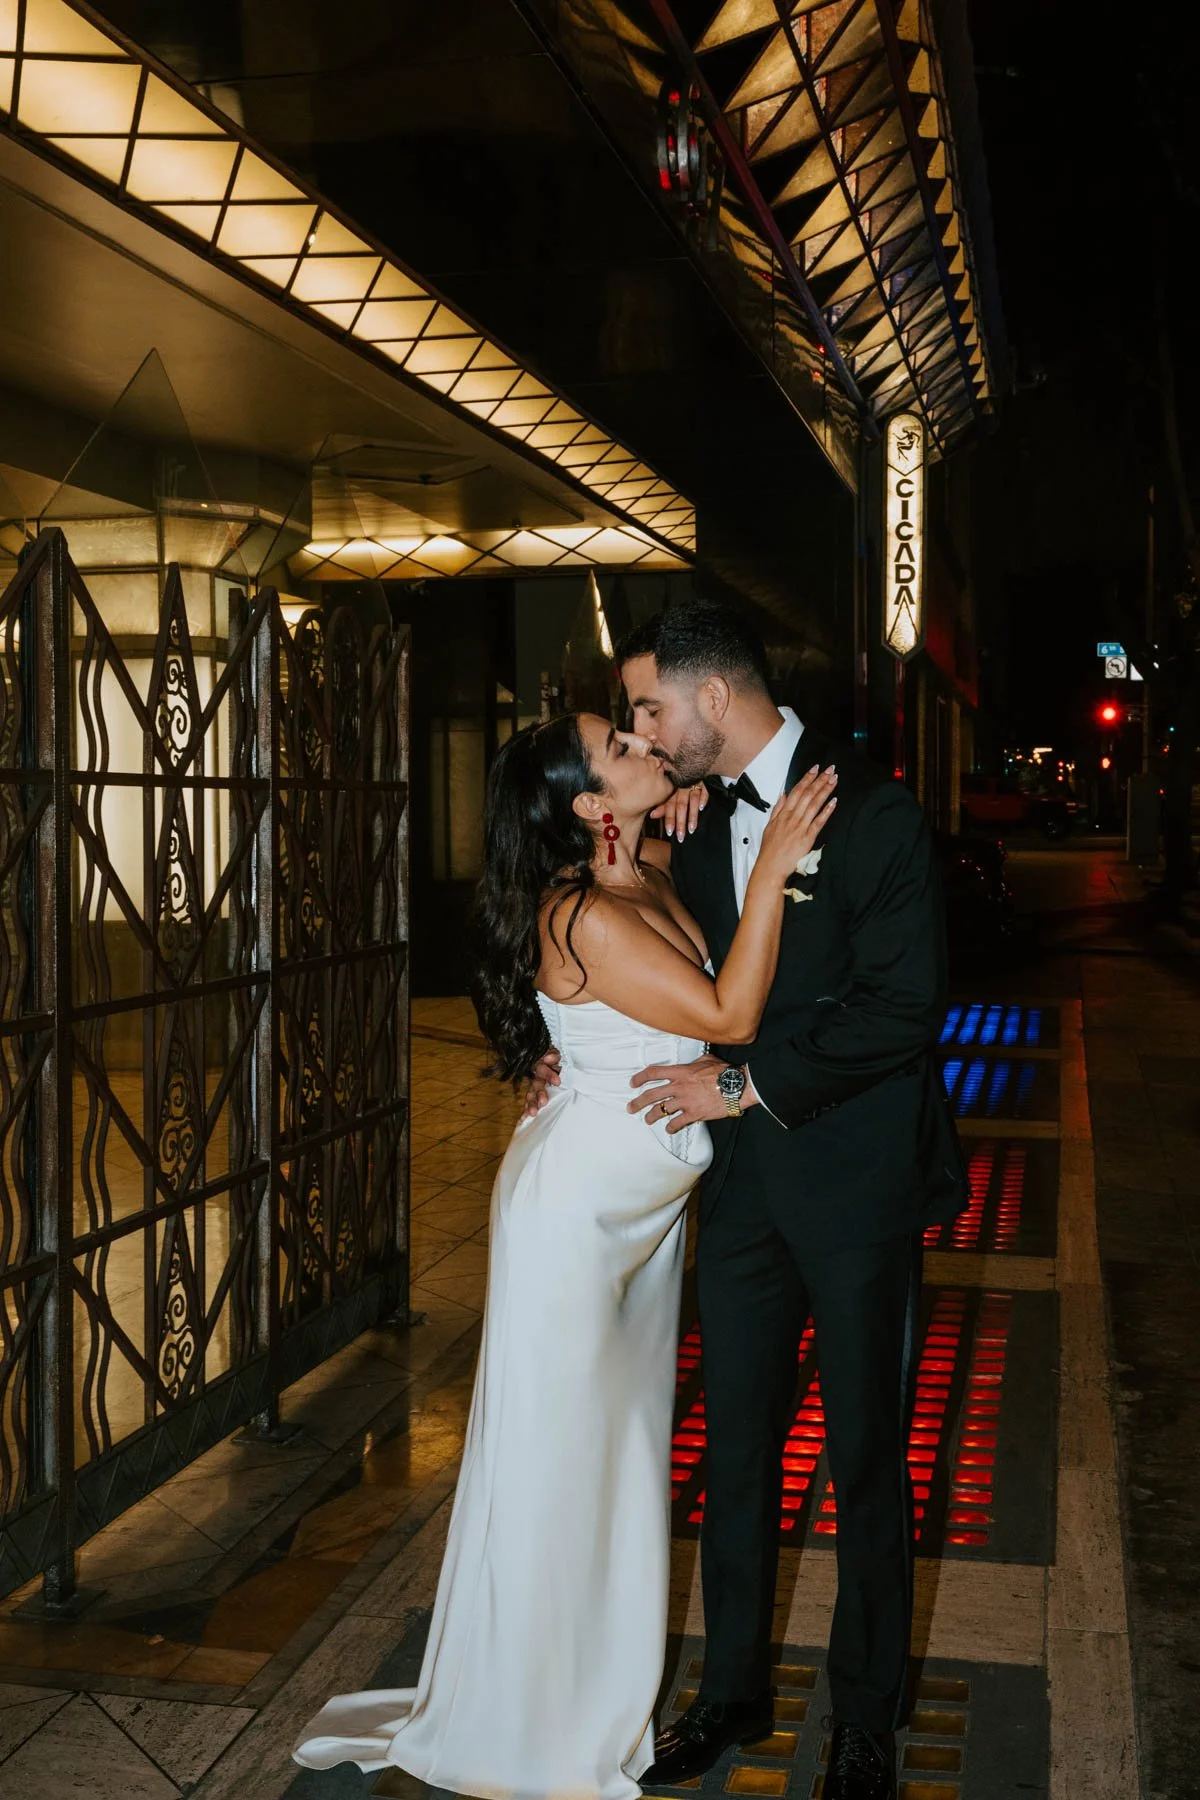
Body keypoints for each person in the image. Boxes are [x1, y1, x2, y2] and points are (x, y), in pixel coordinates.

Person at [292, 707, 836, 1800]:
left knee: (618, 1463)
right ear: (590, 806)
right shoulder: (582, 911)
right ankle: (525, 1713)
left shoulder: (642, 862)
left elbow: (677, 905)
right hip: (577, 1220)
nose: (644, 750)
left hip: (639, 1214)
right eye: (621, 750)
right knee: (559, 1467)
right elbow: (729, 1014)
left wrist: (701, 806)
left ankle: (584, 1686)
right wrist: (776, 863)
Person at [529, 599, 967, 1800]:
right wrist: (571, 1050)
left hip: (858, 1191)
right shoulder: (692, 816)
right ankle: (730, 1694)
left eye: (651, 710)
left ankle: (867, 1719)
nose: (645, 732)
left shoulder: (869, 811)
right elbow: (629, 955)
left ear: (715, 699)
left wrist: (747, 1080)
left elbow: (902, 1010)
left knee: (870, 1458)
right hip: (739, 1204)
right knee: (732, 1454)